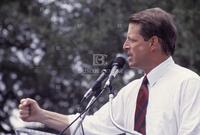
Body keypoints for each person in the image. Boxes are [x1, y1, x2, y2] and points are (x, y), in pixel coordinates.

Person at [18, 7, 200, 135]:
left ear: (153, 43)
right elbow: (88, 127)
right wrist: (41, 115)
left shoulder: (189, 84)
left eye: (132, 40)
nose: (125, 46)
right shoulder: (132, 92)